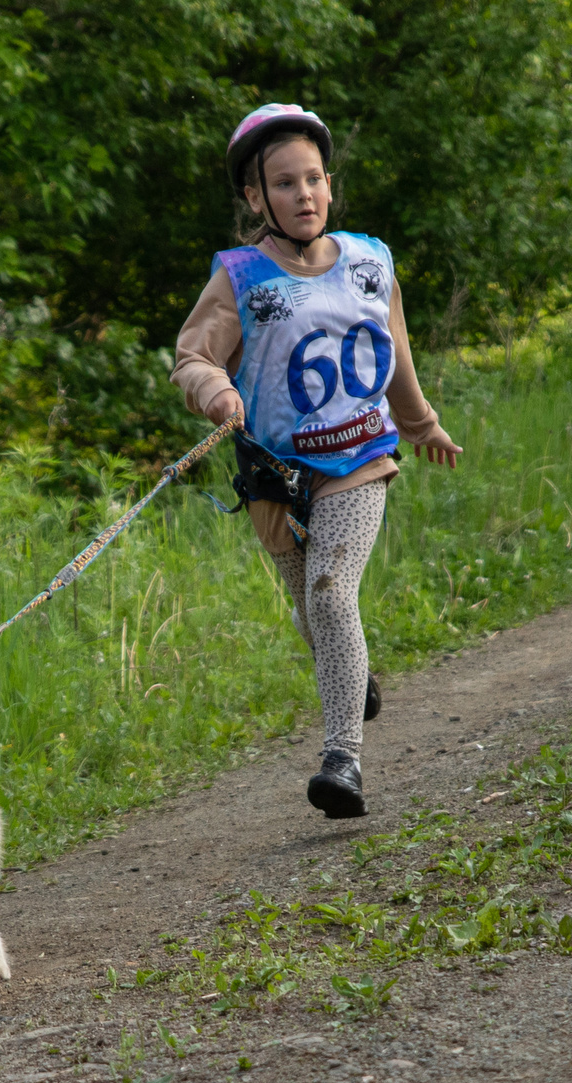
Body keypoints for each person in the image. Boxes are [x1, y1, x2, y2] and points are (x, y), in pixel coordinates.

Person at [168, 104, 463, 820]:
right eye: (284, 183)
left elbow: (393, 350)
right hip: (275, 479)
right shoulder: (241, 278)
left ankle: (343, 761)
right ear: (254, 197)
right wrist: (216, 395)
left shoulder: (370, 262)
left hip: (359, 459)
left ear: (329, 185)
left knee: (331, 594)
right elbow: (193, 357)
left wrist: (420, 423)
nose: (303, 194)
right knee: (313, 613)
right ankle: (351, 672)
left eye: (314, 179)